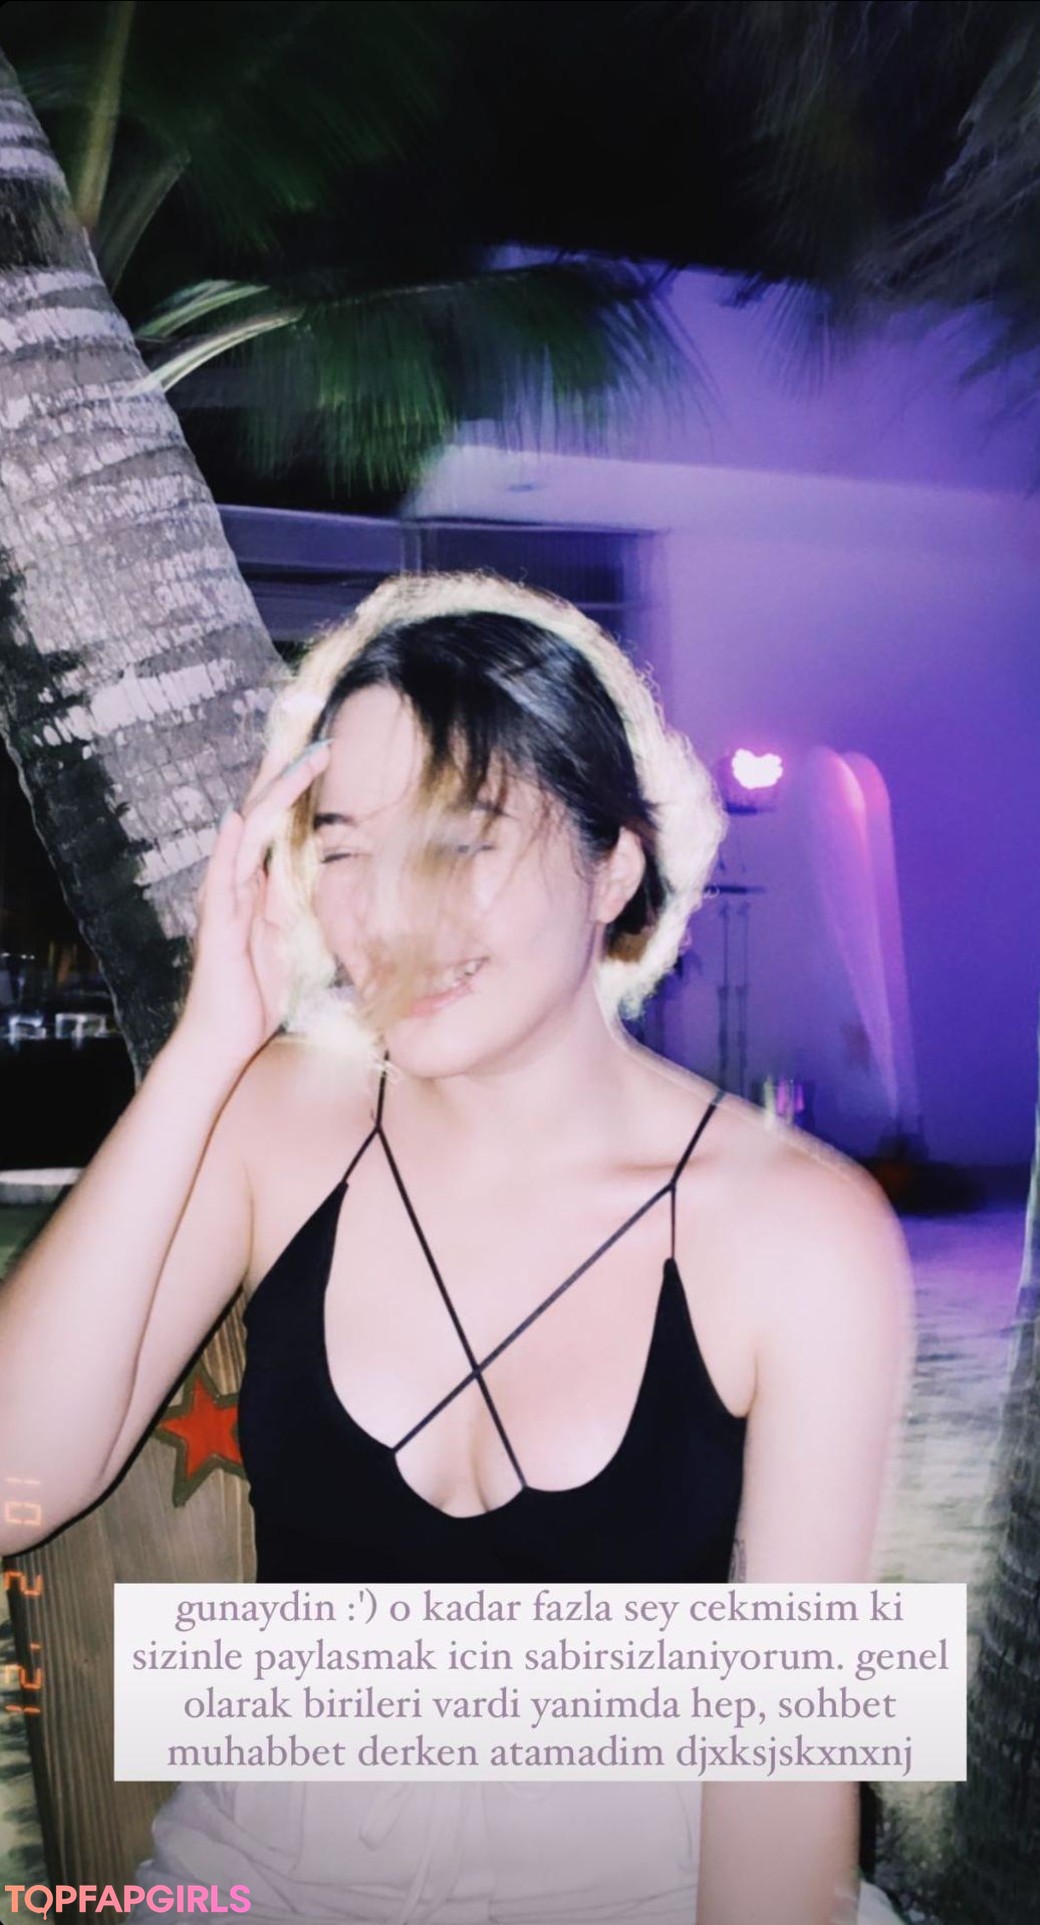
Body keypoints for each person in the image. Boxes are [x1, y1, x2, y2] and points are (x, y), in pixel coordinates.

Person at [0, 572, 914, 1924]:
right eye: (346, 848)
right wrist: (207, 1045)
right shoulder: (276, 1124)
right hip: (268, 1878)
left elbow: (781, 1788)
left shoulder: (796, 1232)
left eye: (464, 838)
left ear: (613, 866)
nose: (393, 912)